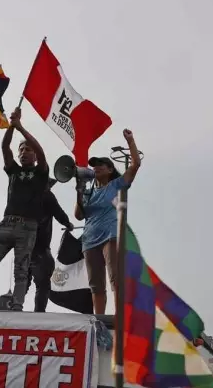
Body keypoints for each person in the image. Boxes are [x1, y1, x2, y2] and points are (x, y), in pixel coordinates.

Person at [0, 107, 49, 311]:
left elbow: (41, 151)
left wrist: (21, 128)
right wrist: (12, 125)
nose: (24, 153)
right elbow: (5, 147)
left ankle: (17, 304)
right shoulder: (14, 170)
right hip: (6, 224)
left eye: (28, 150)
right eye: (22, 150)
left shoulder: (41, 171)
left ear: (34, 154)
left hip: (27, 227)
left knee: (21, 269)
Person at [74, 129, 141, 314]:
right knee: (95, 284)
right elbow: (78, 216)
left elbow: (135, 164)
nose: (96, 167)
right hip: (89, 240)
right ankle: (99, 319)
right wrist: (79, 190)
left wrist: (130, 141)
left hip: (110, 237)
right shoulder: (88, 192)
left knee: (116, 278)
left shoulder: (115, 185)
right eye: (94, 165)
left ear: (110, 169)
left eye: (101, 164)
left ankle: (121, 316)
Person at [27, 178, 73, 312]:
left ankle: (15, 310)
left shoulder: (25, 198)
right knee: (43, 284)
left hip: (23, 246)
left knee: (22, 281)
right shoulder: (46, 195)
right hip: (40, 248)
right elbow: (59, 213)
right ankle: (39, 313)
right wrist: (68, 224)